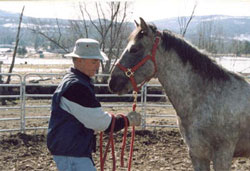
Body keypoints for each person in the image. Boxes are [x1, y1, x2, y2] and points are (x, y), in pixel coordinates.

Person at [47, 38, 141, 171]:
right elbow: (100, 122)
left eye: (98, 61)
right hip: (72, 153)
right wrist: (127, 120)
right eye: (94, 61)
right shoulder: (77, 87)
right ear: (79, 60)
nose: (98, 66)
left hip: (70, 149)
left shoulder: (75, 81)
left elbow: (93, 117)